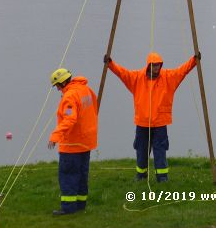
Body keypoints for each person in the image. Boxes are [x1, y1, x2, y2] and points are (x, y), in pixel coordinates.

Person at [105, 51, 198, 182]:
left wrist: (194, 60)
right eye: (154, 65)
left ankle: (162, 177)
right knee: (141, 150)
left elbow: (182, 70)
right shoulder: (137, 78)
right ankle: (141, 175)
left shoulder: (168, 77)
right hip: (142, 123)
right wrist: (110, 64)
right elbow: (122, 73)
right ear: (148, 65)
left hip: (160, 123)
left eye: (158, 65)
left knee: (160, 151)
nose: (156, 68)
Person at [47, 68, 99, 216]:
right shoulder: (85, 89)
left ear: (63, 82)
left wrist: (55, 135)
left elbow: (70, 119)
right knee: (82, 174)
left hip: (72, 144)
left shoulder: (69, 96)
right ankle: (81, 205)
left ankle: (68, 208)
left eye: (57, 85)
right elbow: (95, 107)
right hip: (86, 142)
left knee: (68, 175)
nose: (57, 88)